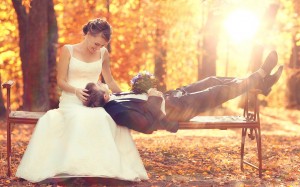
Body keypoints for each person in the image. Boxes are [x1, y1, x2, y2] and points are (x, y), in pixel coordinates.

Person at [16, 18, 148, 183]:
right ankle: (75, 171)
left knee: (105, 118)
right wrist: (76, 91)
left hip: (94, 101)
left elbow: (110, 80)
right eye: (96, 43)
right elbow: (61, 81)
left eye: (101, 45)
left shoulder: (103, 54)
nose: (97, 48)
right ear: (88, 33)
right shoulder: (68, 50)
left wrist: (125, 96)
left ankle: (100, 170)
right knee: (80, 118)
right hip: (71, 99)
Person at [84, 51, 283, 134]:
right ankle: (260, 76)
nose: (105, 84)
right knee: (218, 90)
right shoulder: (117, 111)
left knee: (211, 80)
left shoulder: (115, 98)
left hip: (173, 96)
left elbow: (140, 100)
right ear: (104, 96)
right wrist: (153, 97)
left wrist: (147, 89)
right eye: (102, 86)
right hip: (177, 111)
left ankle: (261, 83)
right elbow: (145, 125)